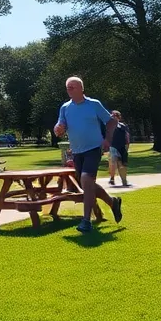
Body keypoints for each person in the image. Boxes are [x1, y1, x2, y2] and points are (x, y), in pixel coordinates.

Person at [53, 76, 124, 234]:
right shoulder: (65, 107)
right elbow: (60, 125)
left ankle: (86, 221)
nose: (69, 90)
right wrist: (58, 129)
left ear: (81, 88)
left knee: (86, 179)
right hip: (76, 150)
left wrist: (107, 139)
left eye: (73, 87)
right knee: (87, 184)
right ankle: (113, 202)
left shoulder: (94, 104)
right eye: (68, 87)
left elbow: (111, 121)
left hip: (93, 148)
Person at [107, 111, 131, 187]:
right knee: (113, 163)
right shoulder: (108, 126)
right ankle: (112, 178)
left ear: (118, 117)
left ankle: (124, 181)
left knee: (122, 164)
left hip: (122, 147)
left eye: (115, 116)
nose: (113, 117)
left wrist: (127, 146)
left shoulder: (123, 126)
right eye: (112, 116)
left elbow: (127, 137)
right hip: (113, 146)